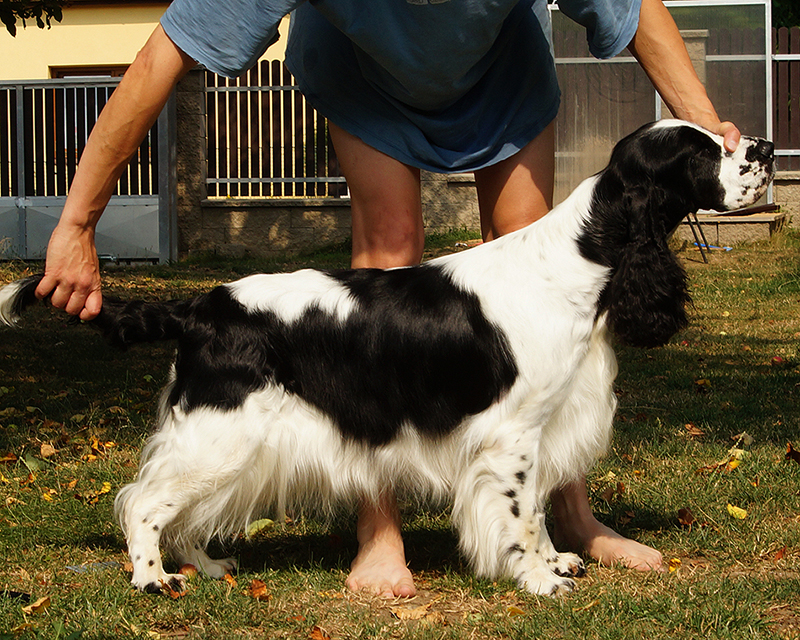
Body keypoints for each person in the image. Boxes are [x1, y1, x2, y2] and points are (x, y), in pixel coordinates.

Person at [35, 0, 740, 598]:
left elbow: (635, 11)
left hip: (502, 71)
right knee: (388, 248)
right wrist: (76, 222)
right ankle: (379, 532)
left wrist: (709, 137)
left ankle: (571, 518)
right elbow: (162, 57)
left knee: (537, 263)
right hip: (362, 74)